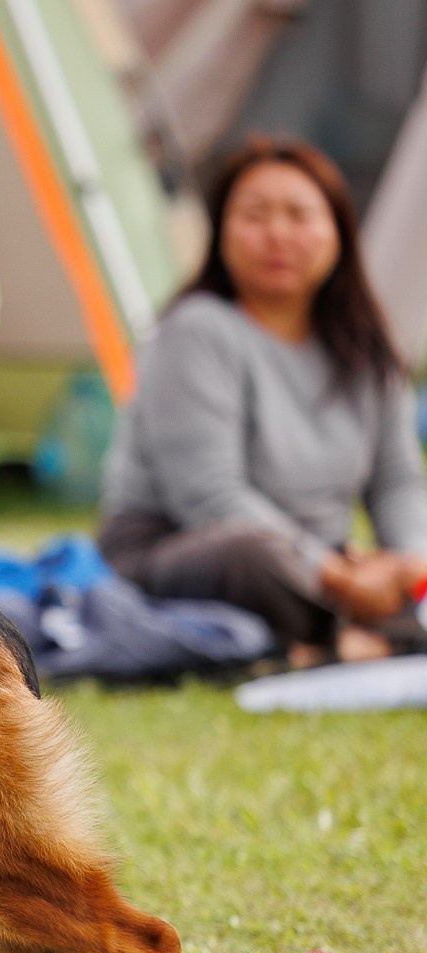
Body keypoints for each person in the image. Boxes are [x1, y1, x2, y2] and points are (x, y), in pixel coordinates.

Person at [99, 136, 427, 666]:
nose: (277, 234)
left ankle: (341, 638)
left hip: (318, 565)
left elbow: (396, 478)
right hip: (183, 549)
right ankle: (365, 636)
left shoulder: (369, 346)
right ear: (222, 233)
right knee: (251, 552)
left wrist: (409, 566)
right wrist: (341, 577)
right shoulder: (195, 332)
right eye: (255, 215)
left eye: (299, 215)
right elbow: (209, 498)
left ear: (338, 230)